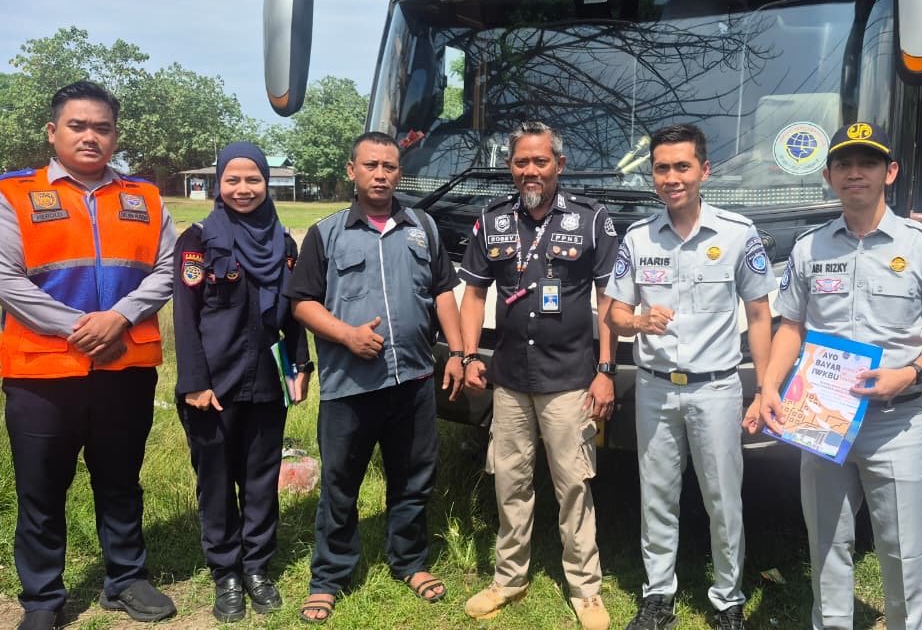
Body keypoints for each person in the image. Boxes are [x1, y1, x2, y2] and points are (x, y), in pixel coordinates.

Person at [0, 81, 177, 630]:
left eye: (102, 128)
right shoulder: (13, 195)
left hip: (124, 368)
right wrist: (80, 328)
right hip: (42, 374)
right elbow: (3, 279)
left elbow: (167, 269)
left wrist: (120, 317)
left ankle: (126, 579)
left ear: (115, 135)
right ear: (53, 132)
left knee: (120, 480)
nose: (91, 137)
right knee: (41, 488)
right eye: (78, 126)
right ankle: (42, 600)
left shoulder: (145, 197)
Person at [757, 122, 922, 630]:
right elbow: (791, 325)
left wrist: (911, 371)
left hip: (893, 421)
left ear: (890, 172)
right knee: (827, 542)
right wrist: (769, 384)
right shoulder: (811, 248)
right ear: (830, 175)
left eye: (869, 163)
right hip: (821, 419)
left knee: (902, 549)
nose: (856, 174)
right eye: (845, 165)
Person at [286, 131, 464, 624]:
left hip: (413, 380)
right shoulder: (327, 233)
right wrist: (346, 335)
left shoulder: (422, 227)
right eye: (371, 165)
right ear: (352, 170)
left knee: (413, 480)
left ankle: (409, 562)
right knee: (341, 484)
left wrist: (459, 353)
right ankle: (329, 577)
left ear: (398, 172)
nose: (381, 174)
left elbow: (444, 291)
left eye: (389, 166)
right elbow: (301, 301)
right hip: (351, 385)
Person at [605, 123, 774, 630]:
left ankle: (728, 599)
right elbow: (612, 313)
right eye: (662, 168)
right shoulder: (637, 238)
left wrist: (765, 388)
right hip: (655, 386)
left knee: (723, 499)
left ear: (705, 170)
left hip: (717, 389)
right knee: (655, 495)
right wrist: (637, 321)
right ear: (651, 175)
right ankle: (658, 596)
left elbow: (761, 315)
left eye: (682, 166)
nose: (672, 177)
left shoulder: (738, 234)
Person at [459, 121, 617, 630]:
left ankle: (585, 589)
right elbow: (475, 295)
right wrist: (465, 355)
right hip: (508, 377)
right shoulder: (492, 221)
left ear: (559, 166)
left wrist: (606, 370)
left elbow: (611, 301)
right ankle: (510, 578)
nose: (531, 170)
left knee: (573, 483)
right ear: (511, 166)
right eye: (521, 161)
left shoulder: (591, 221)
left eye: (540, 161)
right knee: (510, 480)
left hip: (570, 378)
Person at [173, 142, 311, 622]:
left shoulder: (284, 245)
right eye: (232, 179)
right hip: (212, 386)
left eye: (253, 179)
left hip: (267, 384)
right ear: (218, 184)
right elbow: (185, 318)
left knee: (259, 481)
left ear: (267, 183)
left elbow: (293, 314)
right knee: (215, 482)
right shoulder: (197, 240)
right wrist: (193, 381)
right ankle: (226, 573)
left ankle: (256, 567)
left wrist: (300, 366)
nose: (243, 188)